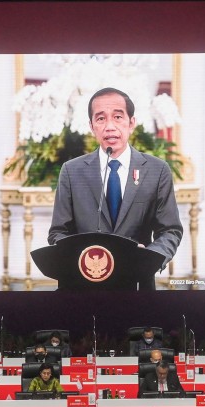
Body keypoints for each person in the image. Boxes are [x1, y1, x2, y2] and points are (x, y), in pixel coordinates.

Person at [48, 87, 183, 290]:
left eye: (118, 117)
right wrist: (83, 256)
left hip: (137, 286)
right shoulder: (71, 171)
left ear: (131, 123)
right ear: (92, 127)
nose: (110, 126)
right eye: (101, 119)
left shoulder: (157, 170)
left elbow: (170, 230)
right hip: (81, 286)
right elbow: (58, 232)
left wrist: (147, 259)